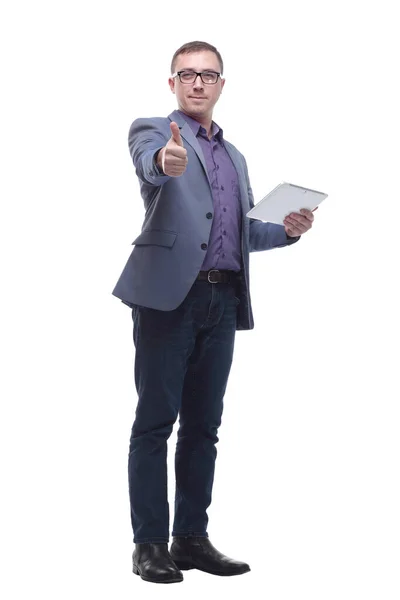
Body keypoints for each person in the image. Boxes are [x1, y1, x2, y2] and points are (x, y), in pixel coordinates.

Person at [112, 40, 316, 584]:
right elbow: (152, 165)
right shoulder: (154, 130)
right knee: (155, 424)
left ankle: (192, 539)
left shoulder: (234, 155)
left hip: (221, 300)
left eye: (209, 75)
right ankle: (149, 545)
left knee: (205, 426)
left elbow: (240, 230)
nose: (198, 83)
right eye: (187, 74)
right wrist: (164, 160)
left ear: (222, 84)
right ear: (173, 82)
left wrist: (288, 232)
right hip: (167, 301)